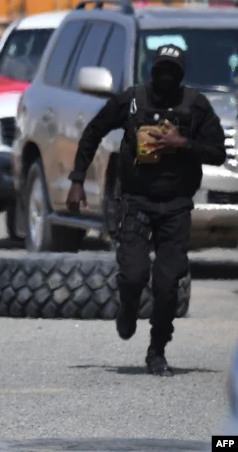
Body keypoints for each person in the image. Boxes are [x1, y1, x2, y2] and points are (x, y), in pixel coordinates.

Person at [67, 44, 226, 376]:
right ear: (152, 71)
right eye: (161, 71)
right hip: (137, 201)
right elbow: (94, 131)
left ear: (181, 76)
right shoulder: (132, 101)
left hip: (176, 206)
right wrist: (77, 180)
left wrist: (184, 145)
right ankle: (127, 307)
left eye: (173, 72)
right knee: (134, 275)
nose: (166, 78)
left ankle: (157, 350)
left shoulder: (195, 106)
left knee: (168, 284)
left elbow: (217, 152)